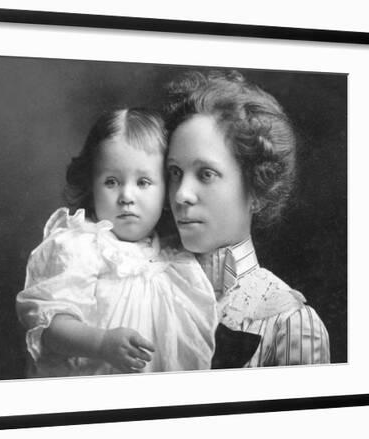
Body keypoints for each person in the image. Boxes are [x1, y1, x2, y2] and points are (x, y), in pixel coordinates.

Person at [16, 108, 218, 377]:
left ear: (167, 190)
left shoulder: (177, 258)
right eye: (111, 181)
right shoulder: (79, 246)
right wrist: (101, 343)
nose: (126, 196)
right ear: (91, 184)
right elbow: (49, 327)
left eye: (143, 182)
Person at [164, 70, 331, 368]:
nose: (181, 194)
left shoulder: (287, 322)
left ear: (256, 188)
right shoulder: (141, 285)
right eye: (175, 173)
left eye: (206, 174)